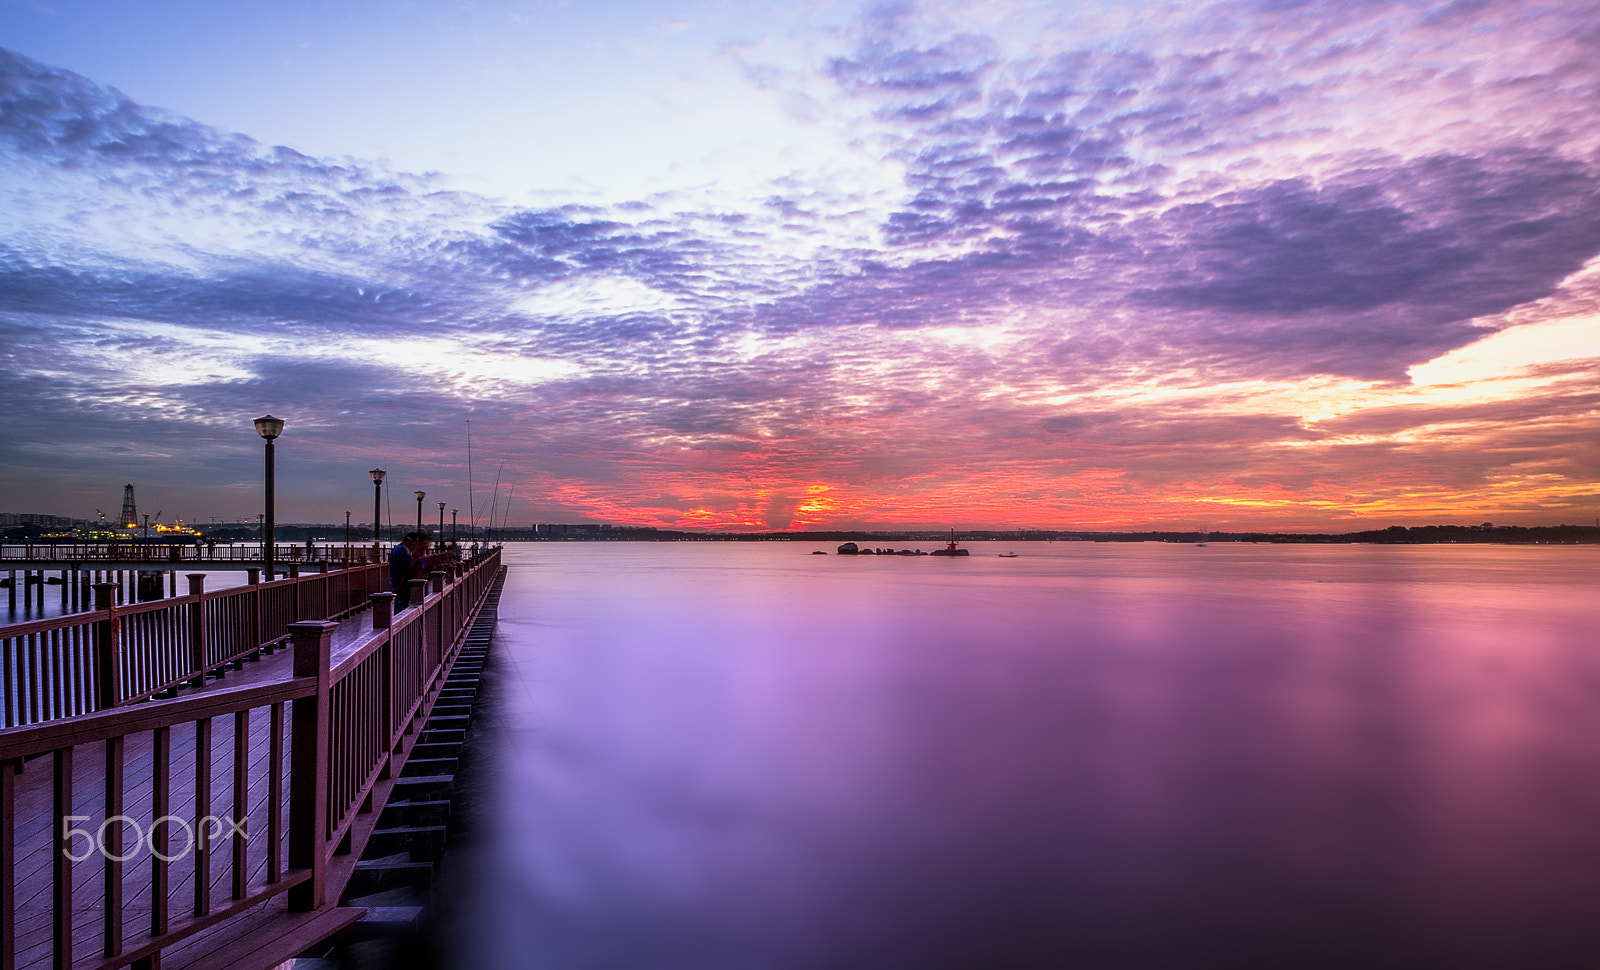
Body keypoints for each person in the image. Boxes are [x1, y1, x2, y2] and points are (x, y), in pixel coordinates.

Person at [390, 531, 418, 610]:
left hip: (394, 581)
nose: (415, 547)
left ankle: (397, 620)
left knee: (398, 604)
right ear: (409, 541)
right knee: (403, 606)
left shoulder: (396, 549)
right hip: (402, 583)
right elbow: (408, 567)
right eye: (414, 544)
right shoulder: (404, 551)